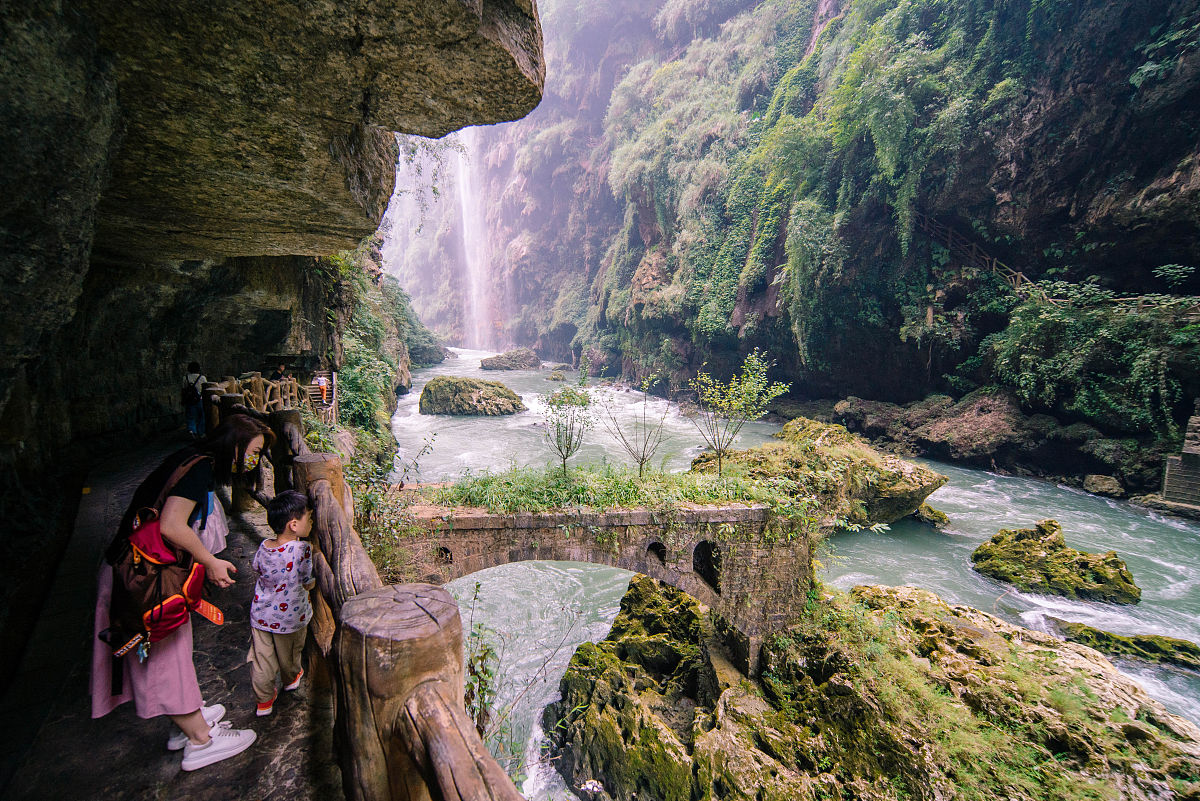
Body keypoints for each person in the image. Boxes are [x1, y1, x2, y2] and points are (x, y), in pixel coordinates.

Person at [91, 413, 275, 771]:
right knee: (165, 651)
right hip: (143, 579)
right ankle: (199, 739)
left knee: (171, 646)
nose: (253, 461)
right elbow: (172, 525)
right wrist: (209, 561)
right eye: (252, 453)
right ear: (234, 446)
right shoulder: (199, 470)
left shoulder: (189, 457)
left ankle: (185, 722)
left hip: (137, 571)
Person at [248, 490, 315, 716]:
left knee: (262, 661)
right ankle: (291, 679)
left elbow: (256, 567)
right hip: (290, 618)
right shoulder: (302, 550)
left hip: (261, 615)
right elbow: (308, 582)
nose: (312, 522)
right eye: (310, 518)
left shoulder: (265, 545)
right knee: (290, 655)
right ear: (294, 525)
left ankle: (264, 702)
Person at [182, 361, 207, 439]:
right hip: (200, 399)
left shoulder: (185, 377)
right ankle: (201, 432)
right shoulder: (202, 378)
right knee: (202, 416)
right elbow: (206, 388)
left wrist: (183, 399)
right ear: (198, 369)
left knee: (190, 416)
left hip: (190, 400)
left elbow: (183, 389)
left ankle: (192, 430)